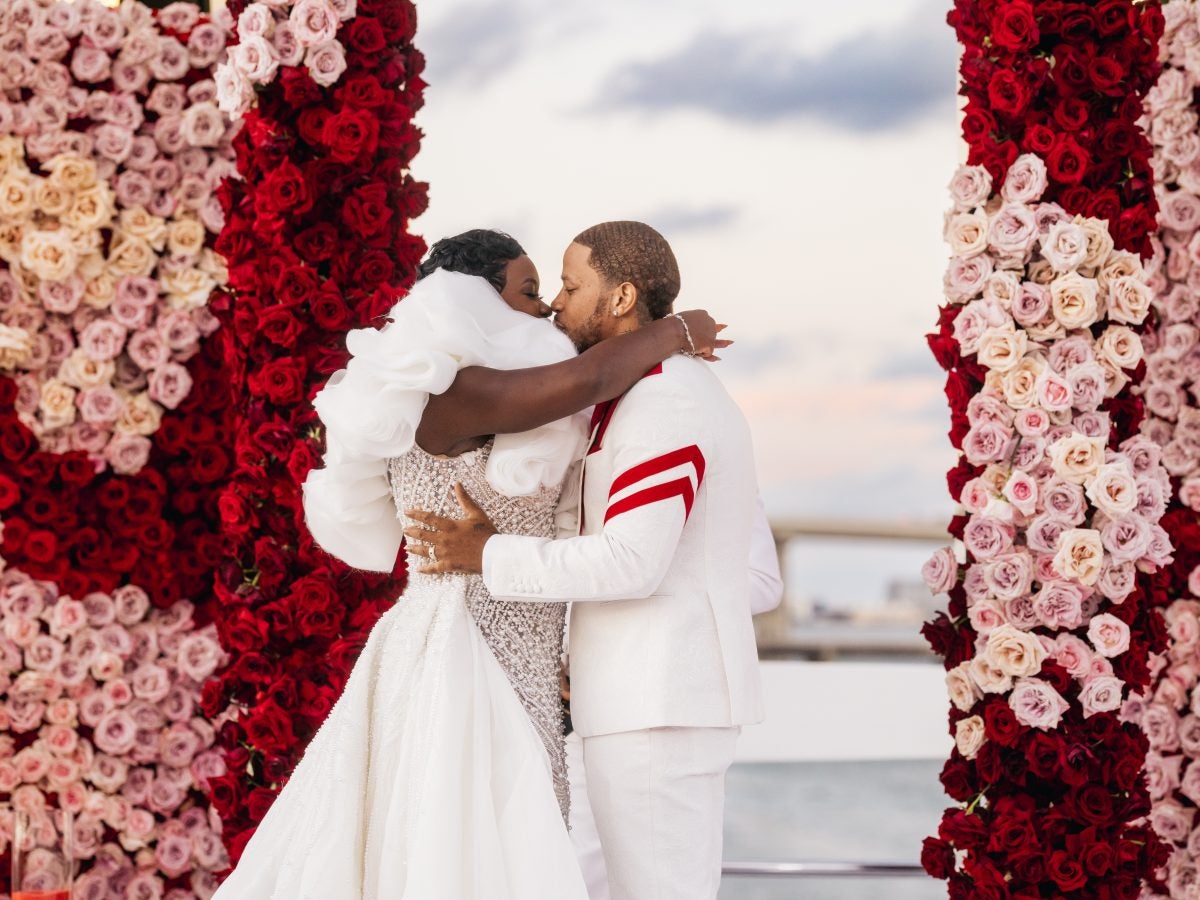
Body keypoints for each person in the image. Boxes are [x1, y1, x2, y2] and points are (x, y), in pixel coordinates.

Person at [211, 229, 726, 900]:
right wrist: (681, 328)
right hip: (461, 646)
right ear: (468, 301)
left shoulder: (494, 391)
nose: (545, 309)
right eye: (531, 291)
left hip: (522, 655)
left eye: (554, 292)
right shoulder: (453, 391)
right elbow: (590, 378)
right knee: (468, 852)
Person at [407, 221, 780, 900]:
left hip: (658, 703)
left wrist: (488, 553)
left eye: (573, 286)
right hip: (640, 699)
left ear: (620, 297)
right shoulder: (639, 393)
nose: (558, 303)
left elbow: (630, 561)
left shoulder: (666, 399)